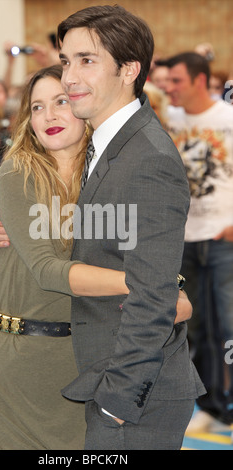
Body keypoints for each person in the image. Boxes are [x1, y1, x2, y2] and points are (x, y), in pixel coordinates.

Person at [0, 6, 204, 450]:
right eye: (65, 60)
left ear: (129, 70)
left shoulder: (147, 158)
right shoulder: (100, 151)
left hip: (131, 398)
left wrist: (117, 404)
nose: (69, 76)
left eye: (87, 60)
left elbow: (151, 299)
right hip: (99, 381)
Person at [162, 51, 233, 436]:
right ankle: (212, 404)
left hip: (224, 239)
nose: (169, 88)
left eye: (176, 81)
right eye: (167, 81)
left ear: (200, 81)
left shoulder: (228, 118)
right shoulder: (168, 121)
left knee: (229, 325)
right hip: (185, 238)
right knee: (197, 325)